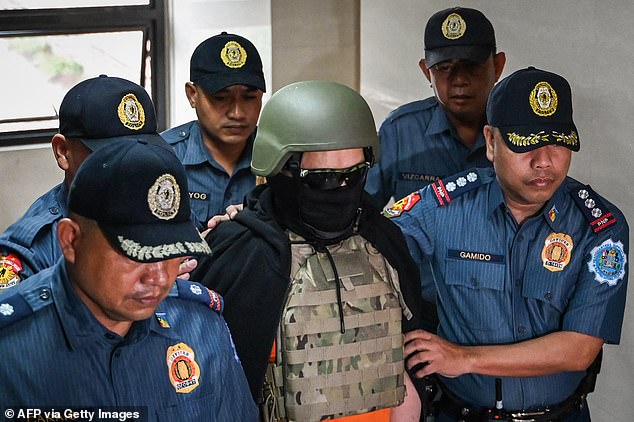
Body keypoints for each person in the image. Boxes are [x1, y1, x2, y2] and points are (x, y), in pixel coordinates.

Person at [386, 67, 629, 421]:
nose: (544, 160)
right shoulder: (443, 208)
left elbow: (579, 350)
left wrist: (462, 357)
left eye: (558, 142)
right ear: (491, 142)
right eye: (526, 144)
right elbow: (370, 248)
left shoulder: (599, 226)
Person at [191, 81, 423, 421]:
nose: (342, 190)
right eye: (324, 179)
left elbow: (401, 367)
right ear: (281, 170)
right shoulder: (243, 253)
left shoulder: (383, 241)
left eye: (354, 176)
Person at [0, 136, 258, 421]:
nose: (159, 278)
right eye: (136, 255)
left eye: (173, 253)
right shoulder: (10, 349)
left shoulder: (200, 326)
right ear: (71, 241)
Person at [365, 7, 506, 308]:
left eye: (471, 66)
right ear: (425, 70)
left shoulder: (517, 135)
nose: (458, 80)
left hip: (497, 315)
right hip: (418, 308)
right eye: (444, 67)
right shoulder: (401, 132)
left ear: (498, 65)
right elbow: (360, 211)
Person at [0, 75, 185, 287]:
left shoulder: (161, 209)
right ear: (63, 152)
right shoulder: (32, 248)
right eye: (109, 157)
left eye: (142, 152)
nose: (129, 167)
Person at [162, 32, 265, 226]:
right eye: (220, 98)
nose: (237, 113)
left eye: (249, 97)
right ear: (192, 95)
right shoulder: (163, 158)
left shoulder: (279, 161)